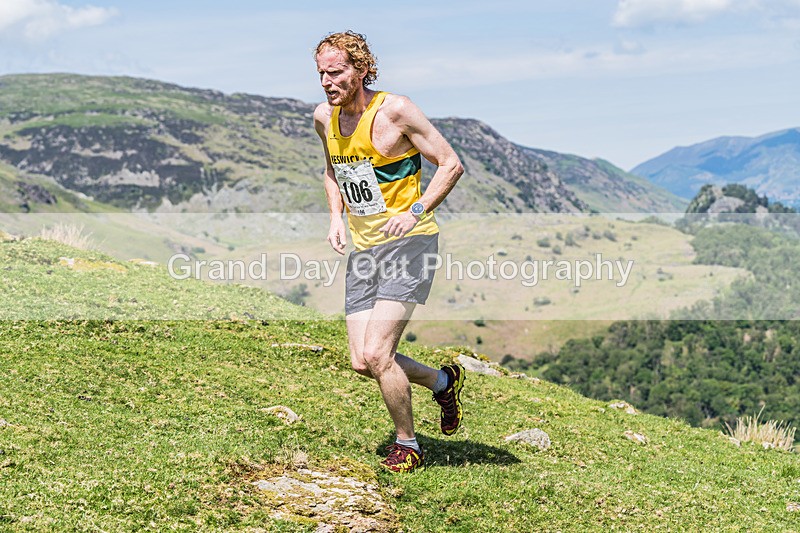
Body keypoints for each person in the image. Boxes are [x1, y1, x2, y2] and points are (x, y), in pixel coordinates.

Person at [313, 31, 466, 473]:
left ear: (361, 69)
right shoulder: (324, 117)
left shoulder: (395, 110)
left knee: (380, 353)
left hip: (409, 244)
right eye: (321, 73)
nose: (327, 81)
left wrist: (416, 210)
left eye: (336, 71)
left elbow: (451, 163)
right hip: (365, 248)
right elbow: (331, 171)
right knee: (362, 361)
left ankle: (409, 446)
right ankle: (442, 381)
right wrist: (335, 217)